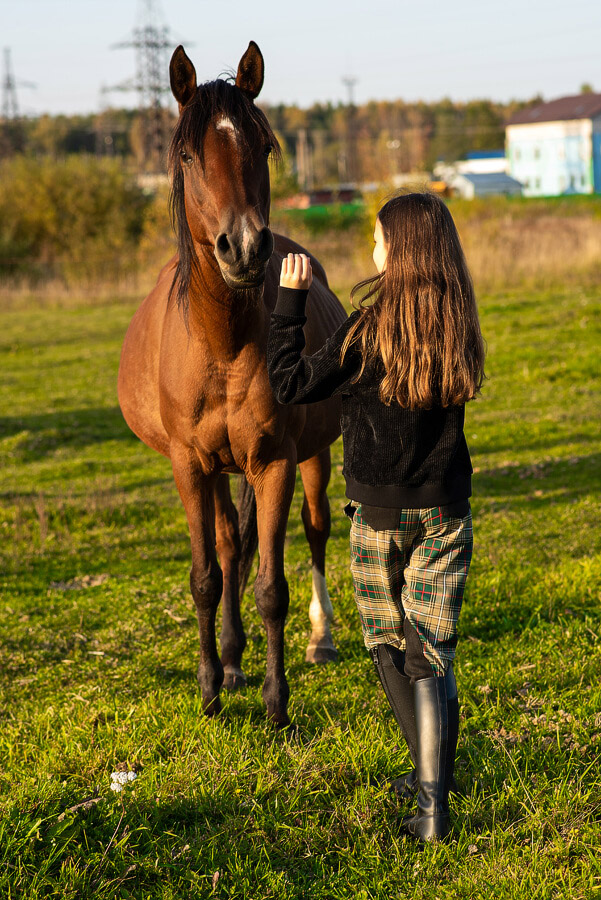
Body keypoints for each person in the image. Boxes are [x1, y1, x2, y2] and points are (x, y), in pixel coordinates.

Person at [266, 192, 485, 842]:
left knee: (389, 644)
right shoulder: (456, 323)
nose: (372, 248)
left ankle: (430, 797)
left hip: (379, 517)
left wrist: (289, 305)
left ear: (401, 251)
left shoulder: (366, 329)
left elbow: (289, 383)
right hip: (445, 510)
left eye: (378, 239)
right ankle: (431, 793)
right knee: (432, 651)